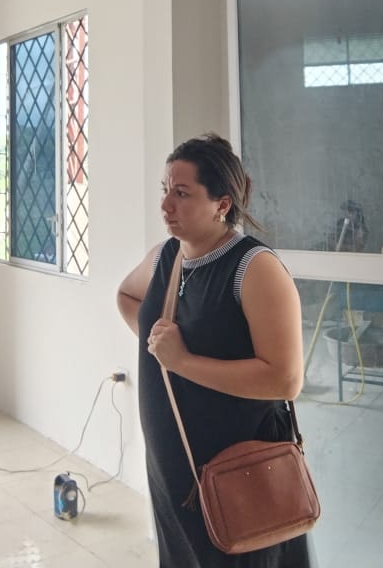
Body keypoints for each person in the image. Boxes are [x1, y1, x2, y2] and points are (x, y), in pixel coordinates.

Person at [117, 133, 313, 567]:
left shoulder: (253, 267)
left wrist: (182, 362)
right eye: (165, 190)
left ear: (222, 204)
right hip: (173, 469)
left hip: (240, 473)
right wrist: (156, 350)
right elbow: (127, 297)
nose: (166, 205)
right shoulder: (165, 258)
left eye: (182, 193)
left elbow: (285, 379)